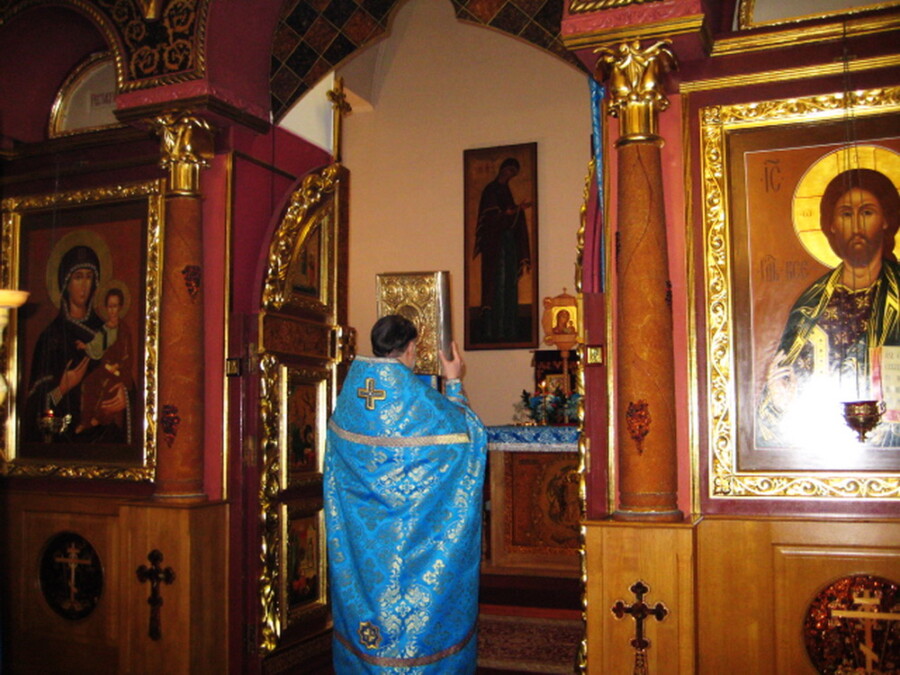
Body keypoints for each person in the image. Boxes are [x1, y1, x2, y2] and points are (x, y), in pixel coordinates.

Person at [324, 314, 487, 673]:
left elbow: (336, 464)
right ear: (411, 347)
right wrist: (454, 382)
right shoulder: (418, 401)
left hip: (365, 540)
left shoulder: (350, 398)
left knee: (367, 601)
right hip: (413, 538)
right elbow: (468, 436)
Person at [757, 168, 900, 447]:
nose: (856, 225)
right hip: (819, 445)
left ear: (886, 220)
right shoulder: (811, 304)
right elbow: (771, 422)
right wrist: (779, 403)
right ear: (831, 225)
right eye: (846, 214)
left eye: (867, 212)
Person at [24, 245, 129, 443]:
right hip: (63, 439)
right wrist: (62, 388)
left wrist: (125, 397)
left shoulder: (107, 332)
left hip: (104, 438)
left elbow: (126, 376)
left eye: (89, 277)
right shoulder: (51, 337)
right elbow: (32, 405)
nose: (84, 285)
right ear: (66, 283)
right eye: (78, 277)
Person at [473, 157, 532, 341]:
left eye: (513, 173)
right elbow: (489, 217)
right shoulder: (491, 189)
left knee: (508, 283)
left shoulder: (506, 190)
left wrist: (517, 210)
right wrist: (510, 212)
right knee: (495, 284)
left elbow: (509, 215)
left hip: (507, 244)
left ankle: (509, 328)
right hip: (494, 246)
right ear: (502, 169)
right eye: (509, 171)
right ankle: (493, 329)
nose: (509, 175)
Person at [74, 287, 133, 435]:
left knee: (106, 386)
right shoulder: (105, 328)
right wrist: (85, 346)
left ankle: (99, 418)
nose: (112, 310)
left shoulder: (123, 329)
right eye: (110, 306)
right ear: (106, 308)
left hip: (118, 371)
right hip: (105, 368)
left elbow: (127, 354)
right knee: (88, 383)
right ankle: (85, 421)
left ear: (120, 307)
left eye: (115, 306)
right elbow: (97, 346)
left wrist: (117, 365)